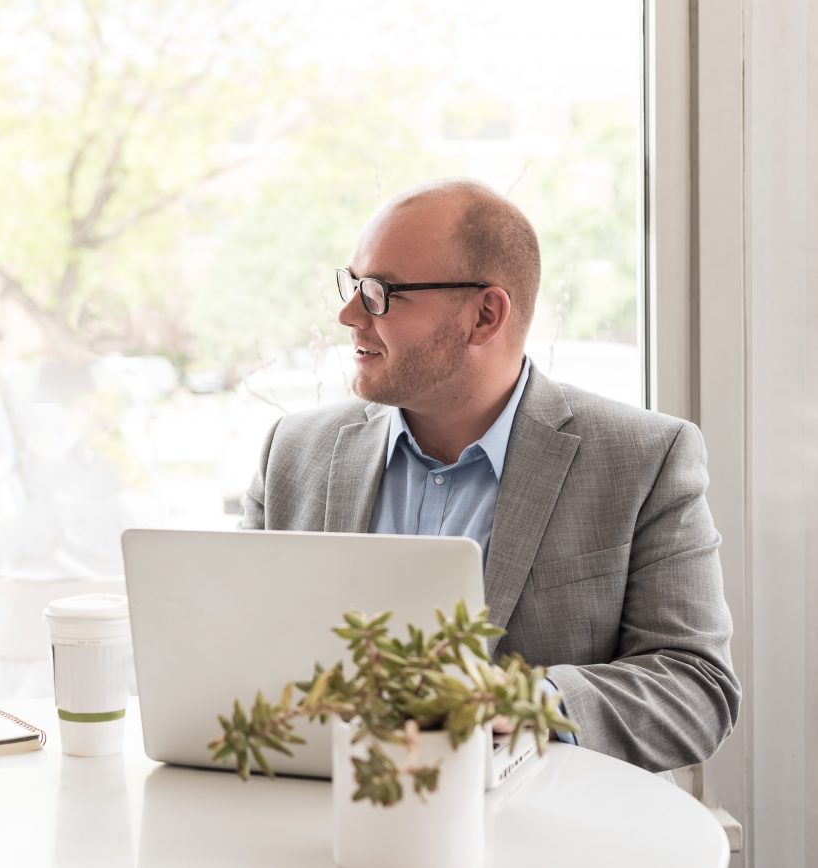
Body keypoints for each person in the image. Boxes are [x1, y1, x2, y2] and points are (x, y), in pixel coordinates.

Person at [241, 179, 740, 773]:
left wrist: (527, 704)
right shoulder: (292, 453)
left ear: (485, 315)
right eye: (352, 285)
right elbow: (243, 656)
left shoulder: (645, 459)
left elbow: (695, 688)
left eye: (380, 293)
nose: (349, 314)